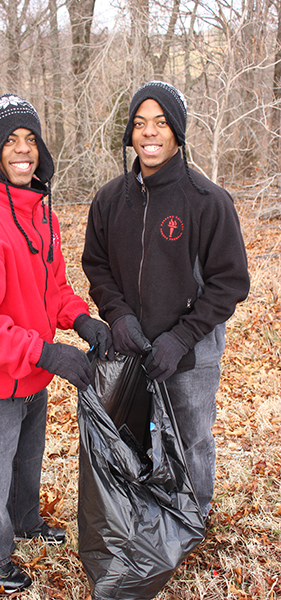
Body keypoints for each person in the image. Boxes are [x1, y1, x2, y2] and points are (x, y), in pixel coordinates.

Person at [0, 93, 113, 594]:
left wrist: (81, 321)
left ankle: (24, 521)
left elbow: (52, 286)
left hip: (31, 362)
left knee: (25, 454)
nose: (23, 150)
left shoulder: (40, 210)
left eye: (30, 139)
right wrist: (50, 353)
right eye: (10, 141)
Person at [82, 81, 250, 521]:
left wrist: (183, 337)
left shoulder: (207, 201)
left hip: (189, 358)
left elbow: (230, 282)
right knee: (134, 441)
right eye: (139, 124)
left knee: (189, 441)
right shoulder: (108, 200)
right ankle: (145, 522)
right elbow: (96, 265)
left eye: (160, 123)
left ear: (177, 131)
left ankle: (191, 520)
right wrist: (116, 316)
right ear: (130, 134)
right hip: (130, 355)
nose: (149, 133)